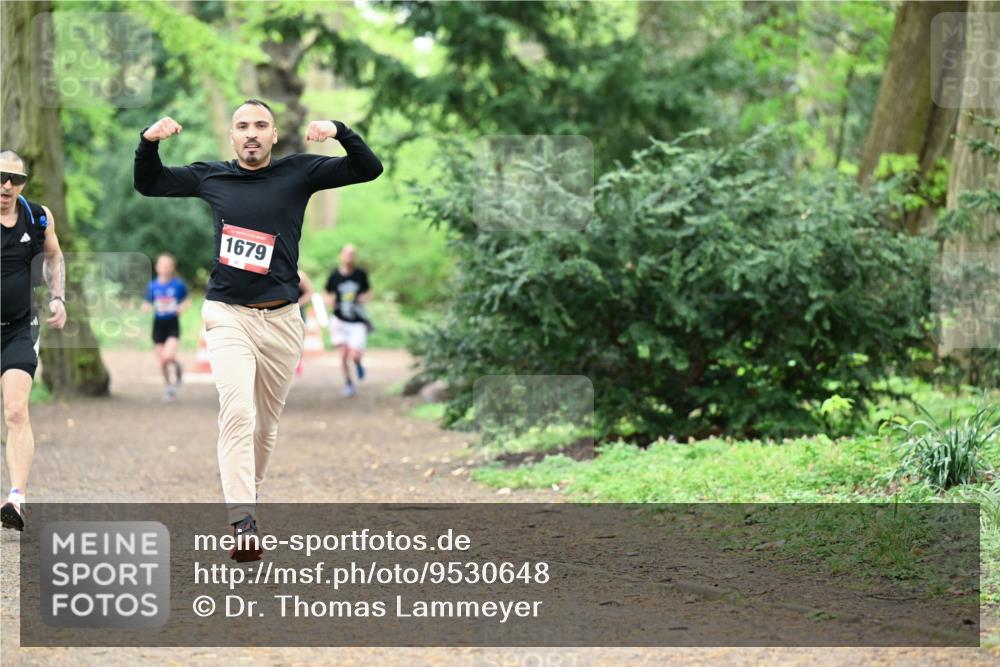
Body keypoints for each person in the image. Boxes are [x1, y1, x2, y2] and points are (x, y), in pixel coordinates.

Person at [134, 99, 382, 561]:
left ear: (273, 136)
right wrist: (148, 142)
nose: (251, 133)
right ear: (232, 136)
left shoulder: (299, 172)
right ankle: (242, 521)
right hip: (228, 314)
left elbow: (368, 168)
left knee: (265, 429)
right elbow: (148, 183)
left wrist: (339, 129)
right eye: (242, 126)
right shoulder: (212, 176)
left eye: (261, 126)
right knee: (238, 411)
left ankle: (250, 495)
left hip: (283, 320)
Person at [0, 150, 67, 531]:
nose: (7, 185)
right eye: (0, 177)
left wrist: (58, 296)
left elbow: (55, 258)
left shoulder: (38, 216)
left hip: (19, 327)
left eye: (15, 178)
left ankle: (17, 499)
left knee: (15, 410)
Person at [324, 244, 372, 397]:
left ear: (355, 257)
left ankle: (358, 362)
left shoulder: (360, 274)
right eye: (347, 253)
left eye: (352, 254)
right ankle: (349, 383)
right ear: (341, 255)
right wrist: (329, 300)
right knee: (344, 355)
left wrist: (363, 298)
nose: (349, 257)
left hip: (357, 320)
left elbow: (369, 292)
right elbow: (326, 292)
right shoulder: (334, 275)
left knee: (355, 354)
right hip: (340, 319)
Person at [144, 253, 191, 402]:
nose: (165, 268)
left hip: (172, 324)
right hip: (158, 325)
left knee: (168, 357)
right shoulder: (152, 286)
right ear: (157, 267)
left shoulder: (178, 285)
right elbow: (146, 304)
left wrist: (180, 309)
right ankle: (169, 387)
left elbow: (187, 301)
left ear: (172, 267)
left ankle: (177, 366)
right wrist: (147, 308)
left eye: (168, 265)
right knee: (162, 361)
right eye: (162, 265)